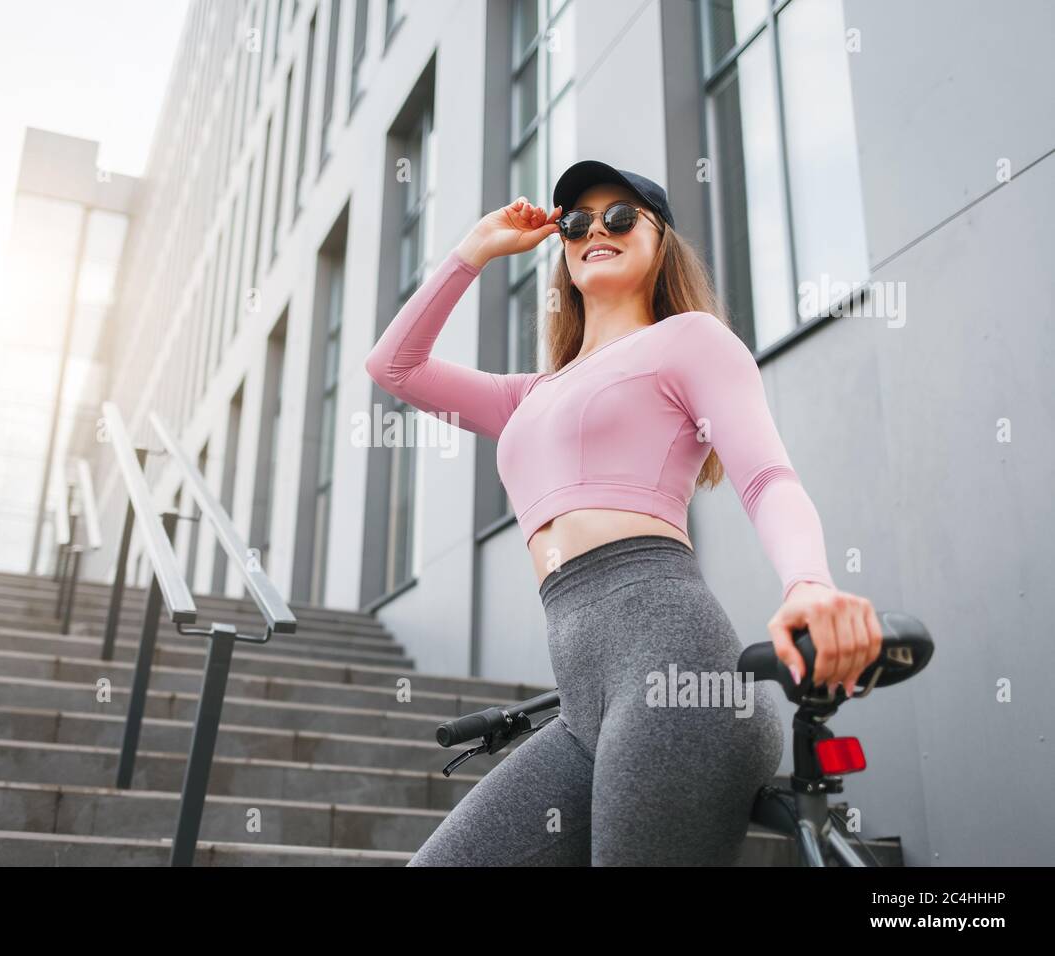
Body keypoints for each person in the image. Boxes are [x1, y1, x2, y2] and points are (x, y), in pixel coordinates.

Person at [363, 161, 882, 866]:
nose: (593, 230)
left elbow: (766, 478)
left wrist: (809, 582)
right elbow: (394, 366)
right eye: (576, 221)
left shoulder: (689, 340)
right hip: (584, 706)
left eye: (619, 216)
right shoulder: (528, 395)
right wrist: (474, 249)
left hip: (677, 671)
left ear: (659, 240)